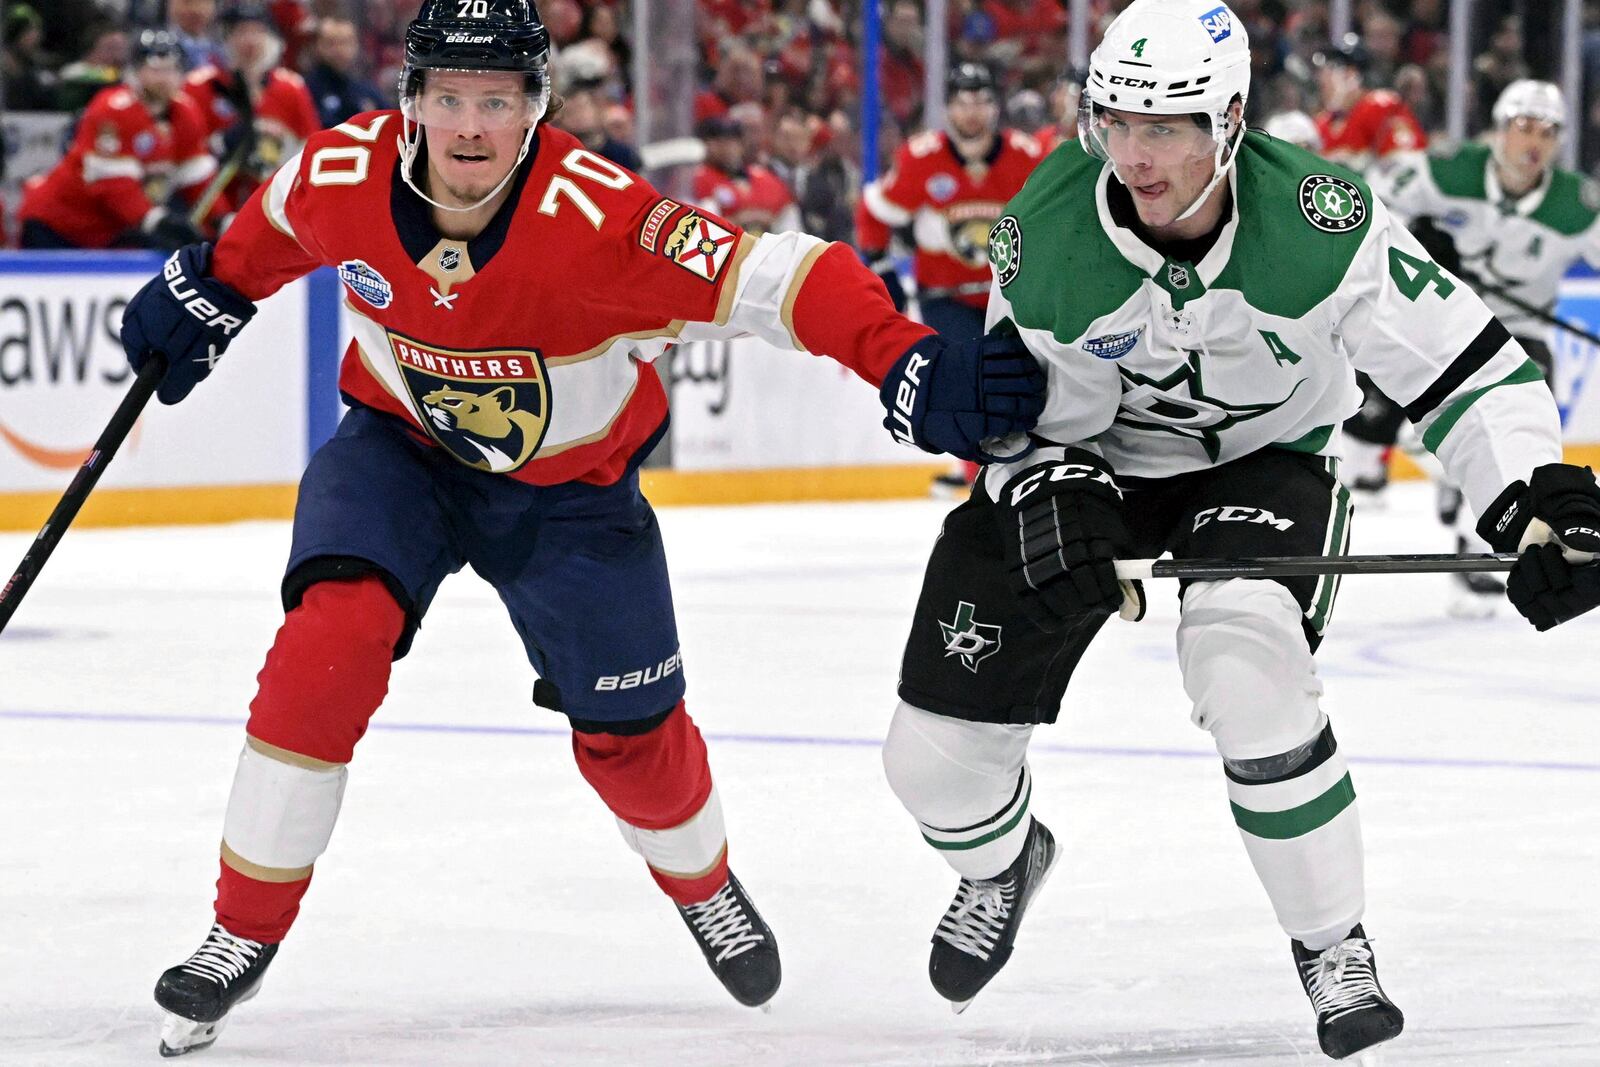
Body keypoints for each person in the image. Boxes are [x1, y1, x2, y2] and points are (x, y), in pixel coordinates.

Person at [117, 0, 1044, 1056]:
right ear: (410, 104)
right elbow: (275, 224)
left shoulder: (606, 220)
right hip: (395, 455)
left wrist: (901, 353)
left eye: (498, 104)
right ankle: (239, 930)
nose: (471, 128)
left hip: (574, 499)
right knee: (325, 647)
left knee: (633, 740)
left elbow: (783, 277)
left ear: (536, 110)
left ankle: (702, 882)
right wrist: (211, 286)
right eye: (450, 99)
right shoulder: (343, 173)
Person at [879, 1, 1600, 1062]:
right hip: (1095, 459)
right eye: (1113, 121)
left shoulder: (1319, 217)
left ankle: (1331, 941)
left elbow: (1462, 367)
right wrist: (1045, 481)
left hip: (1264, 461)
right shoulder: (1044, 230)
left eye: (1164, 126)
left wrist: (1534, 490)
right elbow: (1013, 409)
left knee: (1245, 658)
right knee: (931, 761)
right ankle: (1001, 862)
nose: (1132, 154)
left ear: (1229, 119)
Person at [1358, 80, 1600, 616]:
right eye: (1522, 127)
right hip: (1435, 326)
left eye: (1547, 132)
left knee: (1518, 430)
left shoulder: (1577, 206)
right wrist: (1413, 235)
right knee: (1357, 432)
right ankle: (1431, 465)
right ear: (1498, 129)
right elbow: (1367, 201)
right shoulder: (1448, 170)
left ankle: (1476, 549)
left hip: (1515, 337)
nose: (1532, 142)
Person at [856, 62, 1045, 495]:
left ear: (996, 107)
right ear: (948, 109)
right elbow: (875, 211)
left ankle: (1020, 464)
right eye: (962, 103)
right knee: (965, 375)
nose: (972, 113)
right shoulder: (922, 158)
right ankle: (976, 470)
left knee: (1027, 376)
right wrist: (881, 266)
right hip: (946, 294)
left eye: (981, 101)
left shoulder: (1026, 156)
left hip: (1012, 293)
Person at [17, 30, 216, 250]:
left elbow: (197, 179)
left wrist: (221, 218)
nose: (165, 78)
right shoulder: (112, 108)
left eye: (172, 70)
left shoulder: (186, 113)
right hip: (58, 225)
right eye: (156, 69)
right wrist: (156, 220)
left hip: (107, 231)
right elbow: (112, 184)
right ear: (136, 70)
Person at [184, 2, 320, 212]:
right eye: (242, 32)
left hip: (275, 207)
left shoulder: (291, 88)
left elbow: (311, 150)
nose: (250, 41)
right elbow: (187, 154)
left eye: (258, 32)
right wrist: (222, 143)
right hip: (216, 206)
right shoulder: (200, 87)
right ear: (225, 37)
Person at [1312, 34, 1425, 176]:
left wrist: (1365, 166)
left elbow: (1409, 163)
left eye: (1331, 69)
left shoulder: (1380, 105)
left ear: (1351, 75)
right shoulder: (1321, 123)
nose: (1322, 78)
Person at [303, 15, 387, 128]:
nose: (339, 50)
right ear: (318, 46)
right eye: (331, 43)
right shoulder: (307, 90)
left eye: (345, 42)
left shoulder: (367, 90)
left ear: (356, 45)